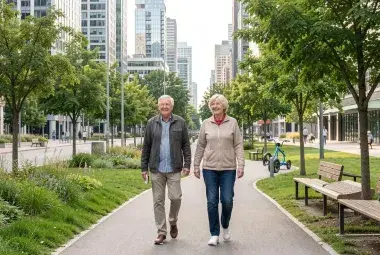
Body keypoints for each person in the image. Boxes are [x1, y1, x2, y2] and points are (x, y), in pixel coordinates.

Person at [193, 94, 245, 246]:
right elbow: (201, 145)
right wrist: (196, 165)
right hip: (209, 168)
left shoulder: (232, 122)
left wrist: (241, 165)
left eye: (218, 103)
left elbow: (238, 145)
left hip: (228, 168)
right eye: (212, 104)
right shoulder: (206, 123)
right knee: (212, 201)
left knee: (227, 200)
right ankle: (214, 234)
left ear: (224, 106)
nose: (215, 106)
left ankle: (225, 225)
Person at [141, 95, 191, 245]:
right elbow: (147, 147)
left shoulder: (180, 122)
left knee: (175, 198)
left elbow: (186, 146)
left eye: (167, 104)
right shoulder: (151, 123)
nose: (164, 106)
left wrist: (187, 164)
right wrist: (144, 168)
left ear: (172, 106)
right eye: (162, 104)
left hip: (174, 167)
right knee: (158, 201)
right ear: (158, 106)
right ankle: (161, 232)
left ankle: (173, 221)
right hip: (156, 168)